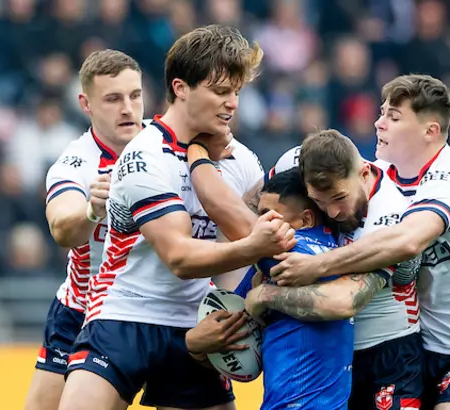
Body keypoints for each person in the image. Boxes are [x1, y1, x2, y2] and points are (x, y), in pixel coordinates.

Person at [58, 25, 295, 410]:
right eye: (220, 91)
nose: (232, 103)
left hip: (196, 324)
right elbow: (181, 258)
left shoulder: (242, 161)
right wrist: (255, 244)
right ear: (181, 87)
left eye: (236, 92)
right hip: (123, 316)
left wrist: (238, 306)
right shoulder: (144, 155)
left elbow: (259, 245)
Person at [270, 75, 450, 410]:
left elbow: (407, 240)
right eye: (382, 112)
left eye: (393, 117)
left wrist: (316, 265)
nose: (378, 123)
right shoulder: (382, 173)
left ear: (429, 131)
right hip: (417, 346)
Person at [245, 130, 425, 410]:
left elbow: (345, 301)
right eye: (318, 201)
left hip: (388, 353)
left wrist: (265, 295)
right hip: (333, 359)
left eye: (339, 197)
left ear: (363, 174)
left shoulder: (391, 214)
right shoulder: (294, 161)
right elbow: (251, 207)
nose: (331, 213)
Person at [25, 49, 146, 410]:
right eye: (113, 99)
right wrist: (92, 210)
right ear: (85, 103)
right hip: (82, 311)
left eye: (135, 95)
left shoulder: (165, 146)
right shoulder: (75, 162)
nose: (127, 108)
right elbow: (62, 229)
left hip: (158, 309)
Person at [188, 168, 354, 410]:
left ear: (305, 220)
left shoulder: (293, 253)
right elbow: (234, 333)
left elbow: (220, 207)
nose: (259, 226)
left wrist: (196, 152)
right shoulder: (337, 255)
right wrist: (198, 346)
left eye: (268, 215)